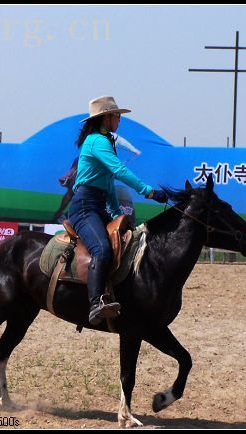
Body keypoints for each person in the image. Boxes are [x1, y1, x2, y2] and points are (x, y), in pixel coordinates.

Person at [67, 95, 167, 325]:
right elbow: (119, 171)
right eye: (117, 115)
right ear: (106, 118)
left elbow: (108, 182)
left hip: (97, 205)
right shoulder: (97, 142)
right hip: (83, 207)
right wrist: (148, 191)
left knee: (126, 242)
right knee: (102, 249)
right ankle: (95, 304)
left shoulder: (105, 141)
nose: (119, 119)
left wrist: (115, 214)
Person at [53, 138, 141, 223]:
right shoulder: (80, 158)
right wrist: (65, 177)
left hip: (98, 188)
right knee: (71, 194)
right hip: (82, 185)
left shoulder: (108, 161)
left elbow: (117, 174)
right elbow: (72, 170)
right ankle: (60, 214)